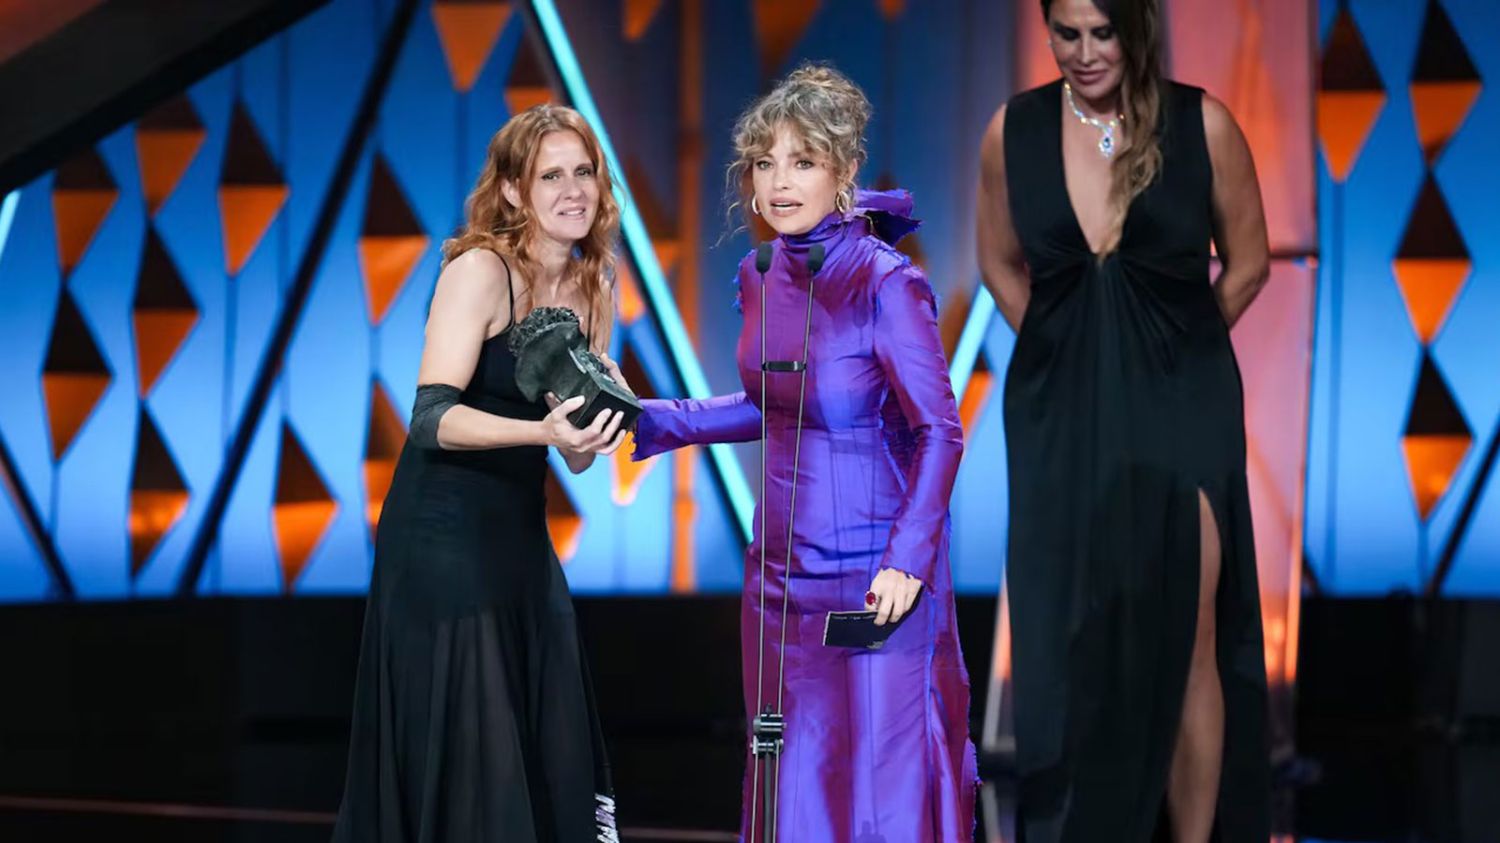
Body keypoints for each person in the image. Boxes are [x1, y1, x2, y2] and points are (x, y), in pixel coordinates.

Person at [632, 64, 976, 841]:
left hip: (875, 580)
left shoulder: (888, 282)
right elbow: (774, 405)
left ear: (845, 171)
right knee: (794, 781)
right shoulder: (758, 275)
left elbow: (940, 431)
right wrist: (649, 419)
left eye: (803, 161)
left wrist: (907, 560)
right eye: (765, 162)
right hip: (781, 583)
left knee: (879, 792)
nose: (780, 181)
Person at [975, 0, 1272, 839]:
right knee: (1078, 626)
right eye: (1066, 33)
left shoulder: (1203, 124)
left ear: (1135, 28)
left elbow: (1249, 263)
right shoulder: (1013, 132)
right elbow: (997, 262)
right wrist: (1064, 354)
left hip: (1184, 406)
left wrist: (1171, 353)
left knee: (1192, 628)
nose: (1083, 52)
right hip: (1062, 415)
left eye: (1102, 33)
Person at [333, 104, 628, 843]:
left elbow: (576, 454)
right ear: (514, 191)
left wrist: (599, 420)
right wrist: (541, 431)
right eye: (550, 176)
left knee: (545, 734)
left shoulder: (593, 285)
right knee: (476, 748)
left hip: (519, 537)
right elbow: (431, 417)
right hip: (442, 537)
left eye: (583, 172)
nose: (572, 190)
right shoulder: (480, 270)